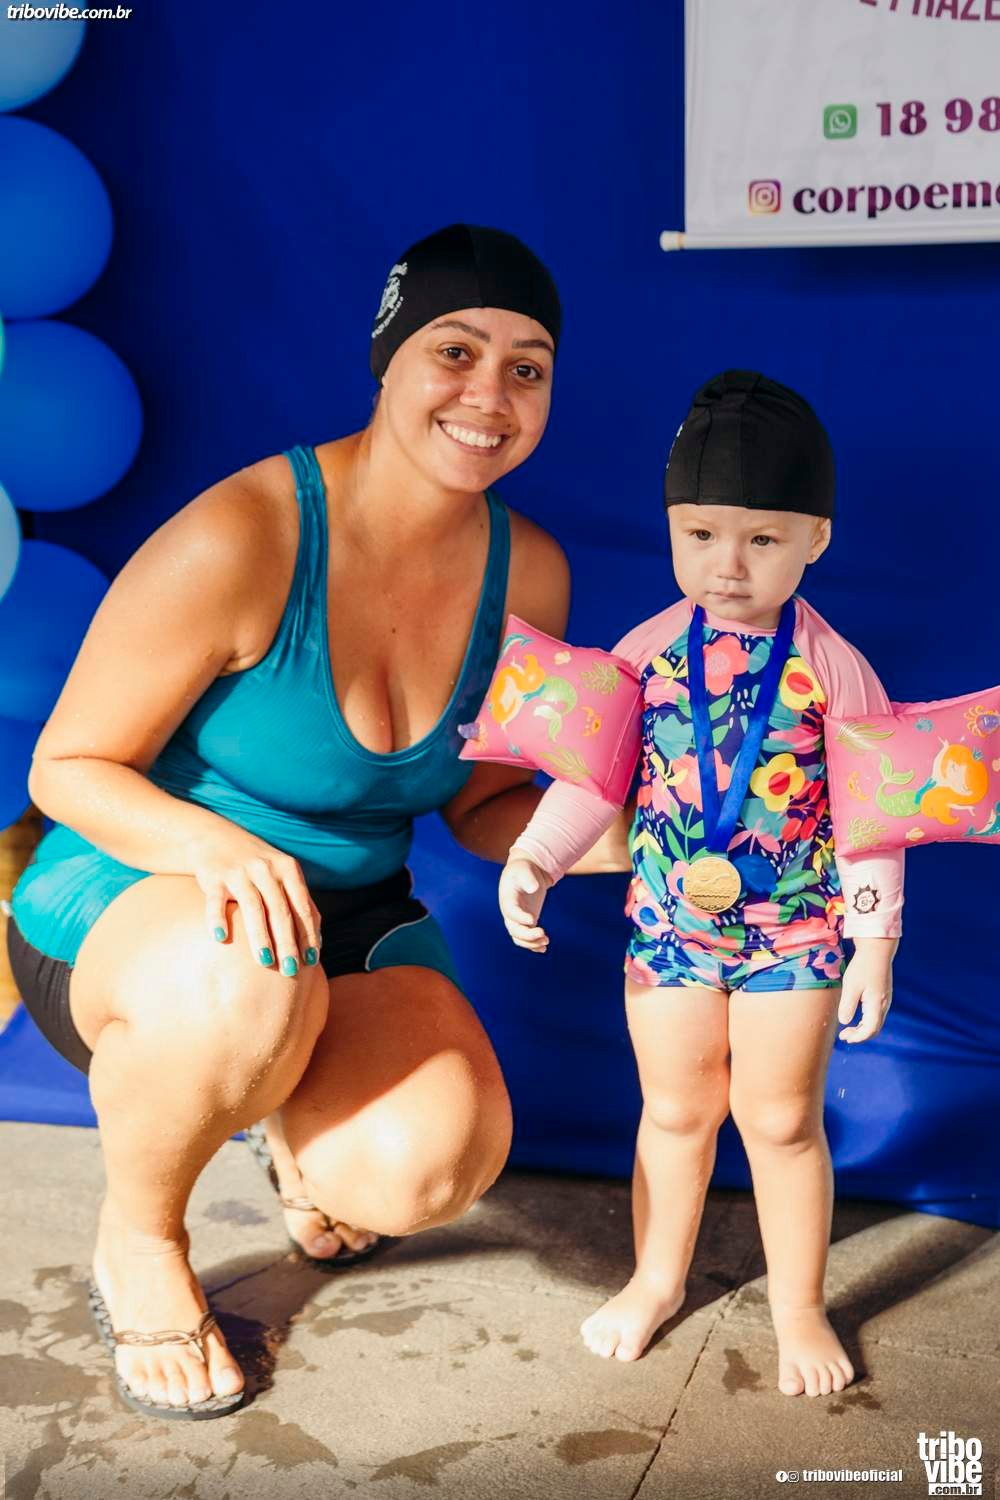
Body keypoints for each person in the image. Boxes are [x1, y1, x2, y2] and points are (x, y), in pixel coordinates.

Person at [7, 224, 625, 1420]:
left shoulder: (530, 573)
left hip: (343, 919)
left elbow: (483, 805)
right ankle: (139, 1237)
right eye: (455, 351)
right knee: (248, 979)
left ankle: (289, 1124)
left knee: (426, 1166)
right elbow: (66, 768)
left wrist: (639, 839)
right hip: (139, 903)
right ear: (389, 358)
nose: (489, 396)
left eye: (527, 368)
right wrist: (213, 845)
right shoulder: (243, 536)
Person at [498, 371, 903, 1398]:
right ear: (670, 527)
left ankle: (798, 1306)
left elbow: (875, 816)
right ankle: (655, 1279)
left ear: (817, 537)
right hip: (670, 930)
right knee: (675, 1112)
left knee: (780, 1121)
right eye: (700, 534)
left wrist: (875, 940)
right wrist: (536, 857)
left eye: (762, 539)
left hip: (797, 933)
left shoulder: (835, 668)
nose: (727, 564)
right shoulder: (643, 655)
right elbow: (591, 778)